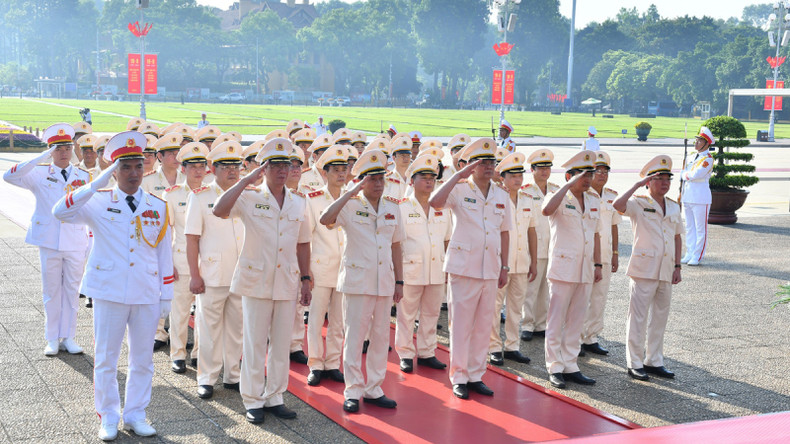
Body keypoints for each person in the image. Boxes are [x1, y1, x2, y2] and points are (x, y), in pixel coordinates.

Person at [53, 131, 173, 440]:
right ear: (114, 170)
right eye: (125, 167)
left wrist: (167, 295)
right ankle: (108, 415)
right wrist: (95, 183)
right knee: (106, 358)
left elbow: (163, 254)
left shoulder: (158, 206)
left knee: (142, 359)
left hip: (146, 292)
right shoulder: (98, 201)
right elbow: (60, 211)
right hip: (109, 291)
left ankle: (135, 413)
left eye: (137, 166)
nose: (133, 173)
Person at [212, 138, 312, 424]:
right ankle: (253, 399)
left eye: (288, 164)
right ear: (264, 168)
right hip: (256, 279)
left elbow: (303, 243)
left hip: (287, 280)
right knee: (255, 342)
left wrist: (306, 279)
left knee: (281, 343)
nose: (283, 170)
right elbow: (219, 209)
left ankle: (275, 396)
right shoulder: (250, 196)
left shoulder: (298, 201)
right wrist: (245, 181)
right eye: (276, 165)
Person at [320, 149, 404, 414]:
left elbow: (397, 246)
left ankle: (374, 388)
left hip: (384, 282)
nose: (378, 184)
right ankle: (353, 390)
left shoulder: (392, 206)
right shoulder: (350, 205)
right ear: (361, 181)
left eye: (381, 179)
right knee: (354, 339)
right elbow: (325, 219)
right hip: (357, 282)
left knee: (380, 338)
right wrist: (349, 192)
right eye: (372, 179)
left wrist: (399, 281)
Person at [429, 138, 511, 400]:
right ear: (471, 166)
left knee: (484, 324)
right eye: (482, 162)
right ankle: (459, 376)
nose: (488, 166)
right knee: (461, 325)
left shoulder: (501, 194)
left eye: (491, 161)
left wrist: (505, 266)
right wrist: (458, 175)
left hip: (490, 267)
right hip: (463, 268)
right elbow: (435, 202)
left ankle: (476, 374)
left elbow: (505, 232)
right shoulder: (460, 188)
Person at [3, 123, 91, 356]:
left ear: (73, 149)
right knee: (51, 291)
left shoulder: (83, 176)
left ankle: (69, 336)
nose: (63, 152)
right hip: (50, 240)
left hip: (75, 240)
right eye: (57, 148)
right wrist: (40, 157)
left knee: (72, 291)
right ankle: (52, 338)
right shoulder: (39, 173)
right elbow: (9, 176)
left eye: (67, 147)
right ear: (51, 150)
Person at [613, 155, 683, 381]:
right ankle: (634, 363)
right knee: (638, 318)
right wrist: (636, 185)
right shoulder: (639, 202)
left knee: (660, 317)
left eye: (667, 179)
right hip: (643, 268)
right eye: (659, 178)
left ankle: (654, 361)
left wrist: (677, 265)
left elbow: (677, 237)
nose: (664, 183)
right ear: (648, 182)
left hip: (665, 268)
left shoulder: (672, 205)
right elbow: (617, 206)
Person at [184, 141, 245, 400]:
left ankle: (233, 375)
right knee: (208, 330)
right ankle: (207, 378)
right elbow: (191, 238)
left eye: (236, 166)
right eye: (226, 166)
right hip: (211, 274)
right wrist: (194, 274)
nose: (232, 171)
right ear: (213, 168)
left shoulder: (247, 194)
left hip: (242, 273)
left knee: (237, 328)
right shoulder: (200, 197)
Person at [541, 150, 602, 389]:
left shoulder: (594, 199)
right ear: (570, 176)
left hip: (585, 268)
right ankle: (554, 366)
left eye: (590, 174)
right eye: (582, 175)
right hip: (563, 267)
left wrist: (598, 264)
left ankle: (571, 364)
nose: (587, 179)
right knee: (556, 319)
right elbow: (546, 210)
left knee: (577, 318)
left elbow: (596, 234)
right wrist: (567, 186)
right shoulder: (558, 196)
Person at [395, 154, 450, 373]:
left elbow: (447, 238)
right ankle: (406, 353)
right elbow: (396, 242)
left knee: (431, 313)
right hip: (411, 268)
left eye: (432, 178)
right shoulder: (401, 207)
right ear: (412, 181)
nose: (429, 182)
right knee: (407, 315)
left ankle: (427, 352)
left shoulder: (442, 207)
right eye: (424, 177)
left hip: (436, 268)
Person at [304, 146, 350, 386]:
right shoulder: (313, 200)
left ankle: (332, 363)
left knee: (338, 320)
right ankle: (315, 363)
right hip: (320, 267)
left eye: (344, 170)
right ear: (325, 173)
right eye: (336, 171)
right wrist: (307, 270)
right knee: (316, 318)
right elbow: (307, 235)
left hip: (345, 268)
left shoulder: (352, 198)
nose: (341, 175)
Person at [162, 142, 209, 373]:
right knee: (179, 310)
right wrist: (167, 262)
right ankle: (177, 354)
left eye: (202, 166)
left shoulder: (212, 195)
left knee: (203, 312)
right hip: (180, 258)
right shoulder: (172, 195)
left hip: (207, 260)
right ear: (184, 169)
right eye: (193, 166)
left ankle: (199, 353)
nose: (198, 171)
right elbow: (165, 232)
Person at [488, 153, 536, 366]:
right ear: (503, 178)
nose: (518, 179)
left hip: (521, 262)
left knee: (516, 307)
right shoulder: (495, 198)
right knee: (495, 307)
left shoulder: (527, 199)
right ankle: (494, 347)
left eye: (520, 175)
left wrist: (534, 261)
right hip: (500, 263)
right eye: (513, 175)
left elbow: (532, 232)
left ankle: (512, 346)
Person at [142, 132, 185, 350]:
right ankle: (158, 332)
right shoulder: (148, 181)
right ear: (160, 156)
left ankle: (181, 332)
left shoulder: (187, 179)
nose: (176, 157)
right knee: (158, 285)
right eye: (171, 153)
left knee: (182, 291)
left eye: (178, 153)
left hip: (182, 240)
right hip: (157, 238)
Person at [580, 151, 620, 356]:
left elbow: (614, 226)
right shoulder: (583, 194)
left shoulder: (612, 196)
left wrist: (615, 253)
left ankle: (591, 337)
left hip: (604, 254)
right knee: (581, 297)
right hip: (586, 253)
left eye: (605, 172)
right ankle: (576, 336)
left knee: (599, 297)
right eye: (598, 171)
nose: (602, 175)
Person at [520, 149, 558, 341]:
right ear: (532, 170)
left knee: (545, 290)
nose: (544, 171)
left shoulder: (556, 190)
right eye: (540, 168)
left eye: (547, 168)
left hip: (552, 247)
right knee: (531, 288)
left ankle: (541, 324)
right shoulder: (525, 191)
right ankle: (527, 324)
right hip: (532, 247)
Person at [681, 126, 714, 266]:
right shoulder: (691, 157)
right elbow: (683, 173)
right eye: (696, 140)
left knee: (701, 229)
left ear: (706, 143)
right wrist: (686, 175)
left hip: (700, 198)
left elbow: (695, 175)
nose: (696, 143)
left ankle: (697, 255)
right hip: (688, 196)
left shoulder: (708, 159)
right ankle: (689, 252)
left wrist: (685, 175)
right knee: (689, 227)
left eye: (699, 141)